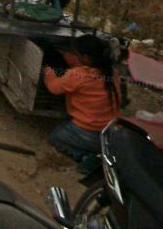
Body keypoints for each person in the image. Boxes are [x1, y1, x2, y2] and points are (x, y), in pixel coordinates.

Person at [42, 35, 123, 171]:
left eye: (76, 54)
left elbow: (54, 87)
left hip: (88, 132)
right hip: (110, 132)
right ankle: (99, 151)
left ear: (85, 57)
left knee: (55, 138)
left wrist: (48, 72)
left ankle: (85, 157)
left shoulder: (78, 75)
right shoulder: (112, 73)